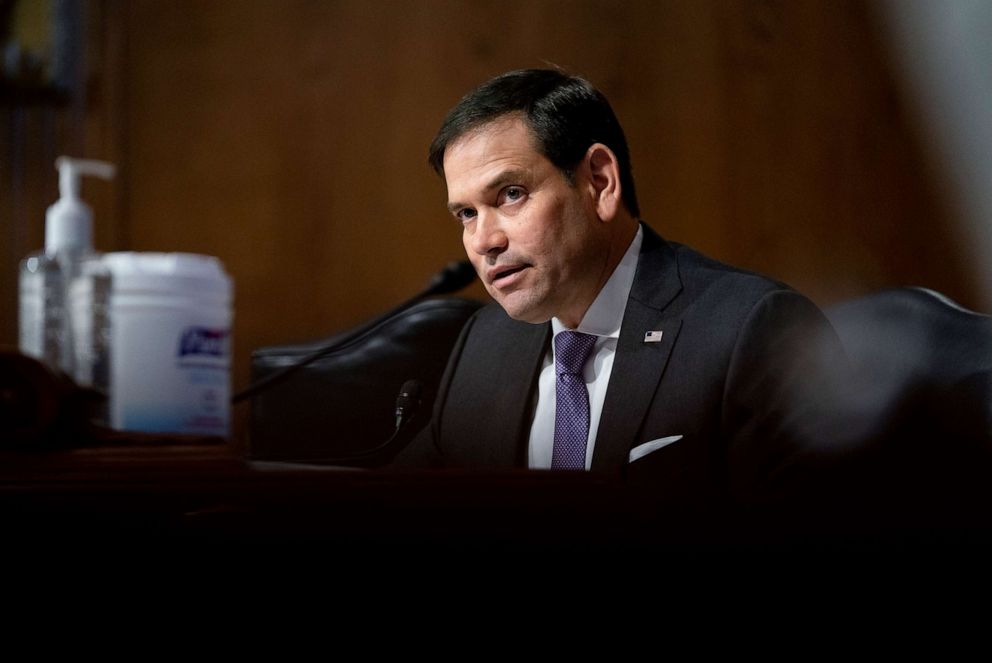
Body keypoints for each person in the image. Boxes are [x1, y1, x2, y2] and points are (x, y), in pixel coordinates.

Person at [395, 68, 846, 510]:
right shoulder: (484, 347)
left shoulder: (752, 333)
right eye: (466, 214)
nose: (483, 241)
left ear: (600, 182)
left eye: (510, 194)